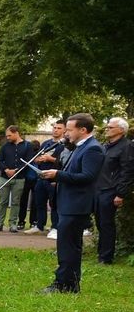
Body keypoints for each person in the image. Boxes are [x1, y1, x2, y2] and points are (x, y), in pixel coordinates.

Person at [40, 113, 103, 293]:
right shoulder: (78, 147)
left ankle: (63, 284)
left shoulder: (92, 148)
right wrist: (57, 179)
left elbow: (88, 176)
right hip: (68, 202)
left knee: (68, 246)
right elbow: (74, 173)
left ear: (83, 130)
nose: (66, 133)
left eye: (69, 129)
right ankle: (69, 283)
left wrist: (58, 175)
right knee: (67, 245)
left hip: (77, 204)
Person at [95, 117, 134, 264]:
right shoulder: (106, 146)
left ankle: (106, 257)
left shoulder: (127, 146)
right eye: (107, 127)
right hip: (99, 189)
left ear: (121, 130)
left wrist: (120, 194)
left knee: (106, 223)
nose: (107, 129)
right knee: (100, 222)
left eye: (110, 127)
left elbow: (128, 171)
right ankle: (101, 252)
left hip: (112, 190)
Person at [28, 119, 67, 236]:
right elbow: (37, 157)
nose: (55, 130)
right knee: (39, 202)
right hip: (41, 177)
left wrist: (50, 159)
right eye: (54, 127)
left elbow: (65, 162)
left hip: (54, 179)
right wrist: (38, 159)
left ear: (65, 130)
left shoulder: (65, 145)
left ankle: (55, 227)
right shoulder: (46, 143)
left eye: (59, 128)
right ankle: (39, 225)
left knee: (54, 204)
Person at [0, 125, 29, 233]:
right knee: (2, 201)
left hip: (19, 178)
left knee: (15, 202)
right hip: (4, 178)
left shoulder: (27, 146)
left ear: (16, 133)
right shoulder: (5, 147)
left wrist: (16, 170)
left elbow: (28, 162)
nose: (7, 137)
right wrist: (6, 170)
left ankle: (13, 223)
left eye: (9, 135)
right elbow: (0, 161)